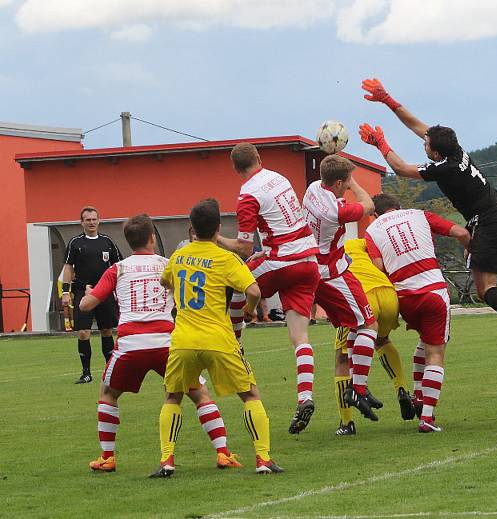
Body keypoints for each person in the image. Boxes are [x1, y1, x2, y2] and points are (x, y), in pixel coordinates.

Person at [359, 77, 497, 362]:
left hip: (488, 223)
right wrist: (388, 101)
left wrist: (380, 144)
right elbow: (420, 127)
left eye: (427, 145)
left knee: (486, 288)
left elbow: (400, 168)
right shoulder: (457, 151)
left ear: (435, 152)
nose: (424, 144)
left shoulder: (444, 168)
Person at [80, 214, 239, 473]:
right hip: (168, 342)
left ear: (129, 242)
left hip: (131, 344)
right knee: (199, 394)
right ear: (153, 238)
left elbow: (87, 305)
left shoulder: (118, 268)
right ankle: (223, 452)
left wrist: (87, 295)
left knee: (108, 394)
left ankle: (107, 457)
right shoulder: (170, 264)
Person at [153, 199, 282, 477]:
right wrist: (248, 312)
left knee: (172, 396)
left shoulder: (179, 256)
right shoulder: (225, 258)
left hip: (183, 340)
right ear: (218, 228)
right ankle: (263, 458)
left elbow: (165, 281)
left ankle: (167, 461)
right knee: (249, 394)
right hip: (218, 339)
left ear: (192, 228)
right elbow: (255, 292)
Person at [216, 142, 321, 434]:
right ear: (260, 158)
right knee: (300, 338)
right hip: (308, 261)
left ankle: (234, 343)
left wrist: (216, 238)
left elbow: (244, 246)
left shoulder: (247, 194)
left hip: (281, 261)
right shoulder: (280, 177)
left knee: (237, 279)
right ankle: (305, 397)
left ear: (236, 169)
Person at [365, 193, 471, 433]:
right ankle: (427, 417)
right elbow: (461, 233)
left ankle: (419, 398)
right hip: (432, 291)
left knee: (423, 345)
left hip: (404, 298)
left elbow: (378, 266)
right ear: (398, 207)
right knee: (436, 353)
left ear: (375, 214)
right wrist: (470, 251)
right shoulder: (420, 215)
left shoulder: (372, 230)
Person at [302, 154, 381, 422]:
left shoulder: (313, 188)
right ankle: (357, 388)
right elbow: (368, 205)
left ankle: (357, 387)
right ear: (339, 182)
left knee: (351, 324)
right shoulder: (336, 211)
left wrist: (341, 175)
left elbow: (330, 185)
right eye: (345, 182)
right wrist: (353, 182)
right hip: (331, 273)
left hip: (322, 266)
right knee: (369, 324)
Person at [331, 238, 416, 436]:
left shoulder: (326, 247)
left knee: (341, 359)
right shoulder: (363, 242)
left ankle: (347, 422)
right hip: (387, 294)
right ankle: (402, 390)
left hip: (361, 294)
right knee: (382, 340)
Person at [61, 206, 123, 384]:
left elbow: (118, 266)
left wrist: (117, 288)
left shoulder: (107, 242)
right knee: (83, 332)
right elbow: (68, 268)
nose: (91, 222)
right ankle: (86, 373)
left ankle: (110, 372)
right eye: (88, 220)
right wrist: (66, 291)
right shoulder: (75, 243)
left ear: (99, 220)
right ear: (82, 222)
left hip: (104, 293)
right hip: (83, 291)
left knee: (106, 331)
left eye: (94, 219)